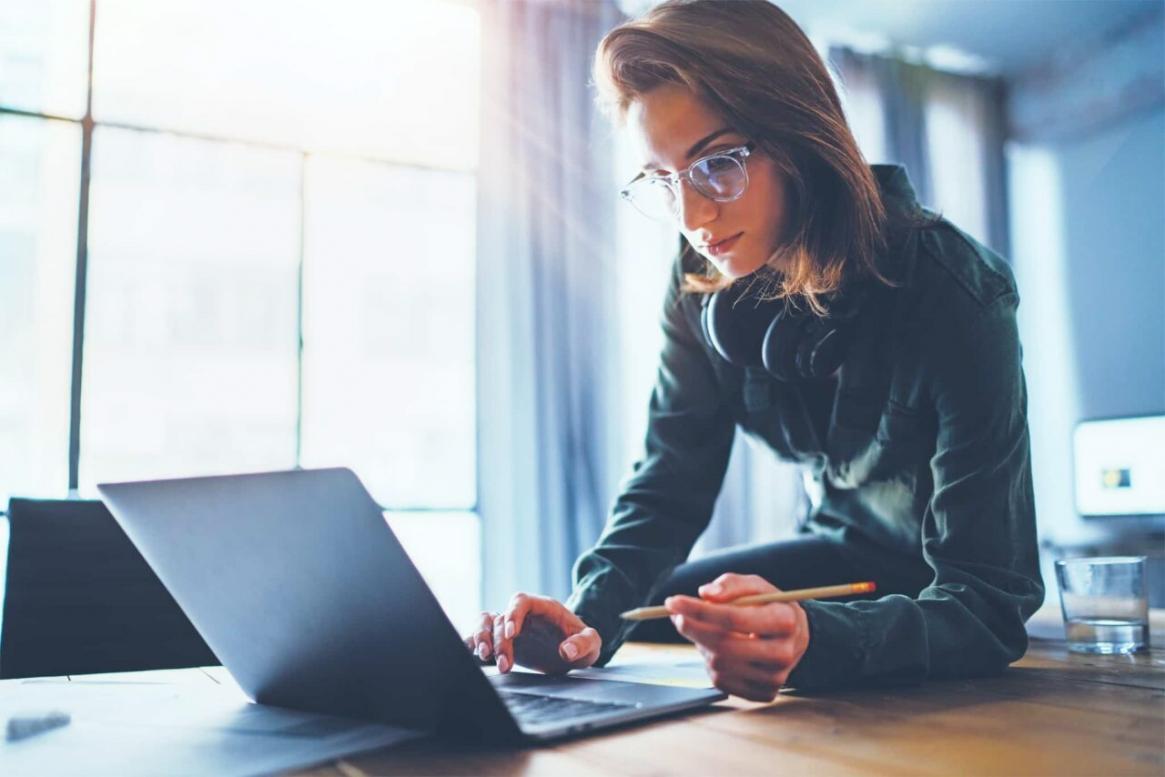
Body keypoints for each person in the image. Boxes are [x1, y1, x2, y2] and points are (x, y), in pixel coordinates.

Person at [465, 0, 1044, 701]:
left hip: (944, 582)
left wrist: (817, 639)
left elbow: (990, 605)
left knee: (711, 614)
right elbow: (670, 478)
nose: (692, 217)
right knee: (671, 606)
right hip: (841, 550)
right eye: (662, 178)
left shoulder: (959, 295)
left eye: (715, 163)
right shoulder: (698, 281)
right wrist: (582, 619)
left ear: (801, 135)